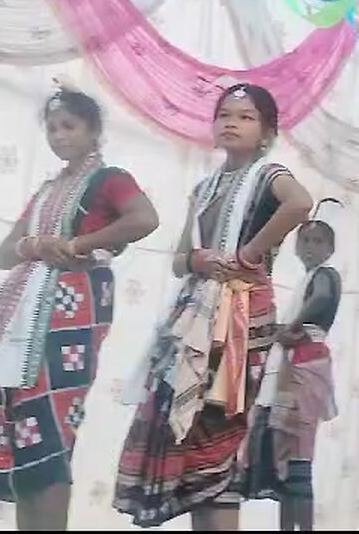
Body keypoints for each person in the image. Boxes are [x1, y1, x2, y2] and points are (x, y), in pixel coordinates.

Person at [0, 84, 159, 530]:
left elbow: (145, 219)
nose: (58, 135)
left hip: (72, 312)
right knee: (20, 434)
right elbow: (3, 254)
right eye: (52, 128)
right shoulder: (47, 190)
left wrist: (77, 243)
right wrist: (34, 243)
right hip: (18, 317)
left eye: (69, 126)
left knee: (50, 429)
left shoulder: (109, 179)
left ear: (94, 131)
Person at [114, 83, 313, 530]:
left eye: (245, 116)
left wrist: (250, 253)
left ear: (267, 131)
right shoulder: (205, 188)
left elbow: (300, 203)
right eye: (224, 114)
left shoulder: (269, 174)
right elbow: (180, 259)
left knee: (220, 430)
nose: (231, 123)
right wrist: (200, 260)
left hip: (242, 312)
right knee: (191, 437)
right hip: (195, 313)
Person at [243, 198, 344, 530]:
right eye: (306, 240)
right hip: (290, 367)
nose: (311, 247)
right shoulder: (307, 278)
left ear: (330, 249)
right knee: (285, 459)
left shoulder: (325, 275)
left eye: (318, 241)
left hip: (305, 367)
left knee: (299, 457)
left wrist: (293, 325)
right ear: (297, 247)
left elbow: (322, 298)